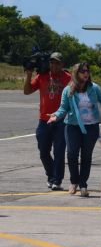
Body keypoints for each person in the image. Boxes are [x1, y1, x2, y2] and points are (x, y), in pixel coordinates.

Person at [48, 63, 101, 196]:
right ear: (76, 73)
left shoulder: (94, 88)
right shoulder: (68, 90)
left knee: (86, 155)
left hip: (91, 127)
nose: (85, 73)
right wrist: (56, 115)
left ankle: (83, 184)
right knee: (71, 154)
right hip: (72, 126)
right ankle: (74, 181)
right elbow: (63, 108)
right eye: (82, 71)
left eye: (87, 71)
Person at [23, 52, 71, 190]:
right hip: (44, 120)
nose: (54, 65)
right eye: (51, 62)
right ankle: (50, 175)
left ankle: (57, 180)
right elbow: (27, 91)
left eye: (57, 63)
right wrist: (28, 74)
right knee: (43, 151)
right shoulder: (42, 76)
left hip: (61, 121)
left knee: (59, 151)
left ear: (62, 64)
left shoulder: (67, 78)